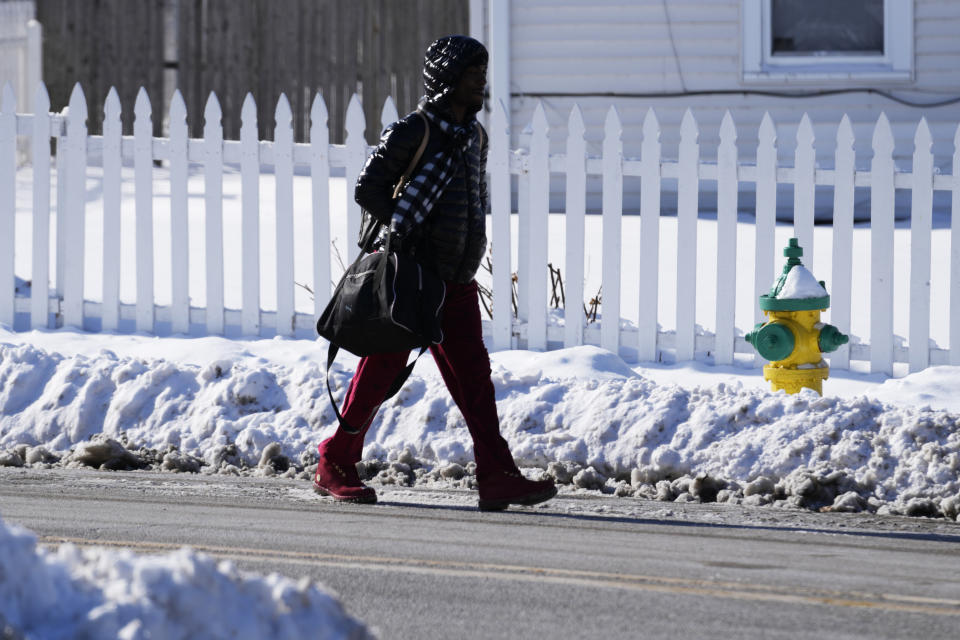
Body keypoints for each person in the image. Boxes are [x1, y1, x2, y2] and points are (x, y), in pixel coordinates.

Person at [314, 35, 557, 512]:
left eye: (483, 74)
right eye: (472, 74)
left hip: (457, 280)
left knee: (474, 379)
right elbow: (370, 189)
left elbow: (470, 203)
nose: (481, 83)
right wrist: (412, 235)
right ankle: (336, 459)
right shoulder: (414, 130)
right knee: (381, 370)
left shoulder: (475, 136)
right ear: (446, 79)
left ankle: (497, 474)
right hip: (414, 277)